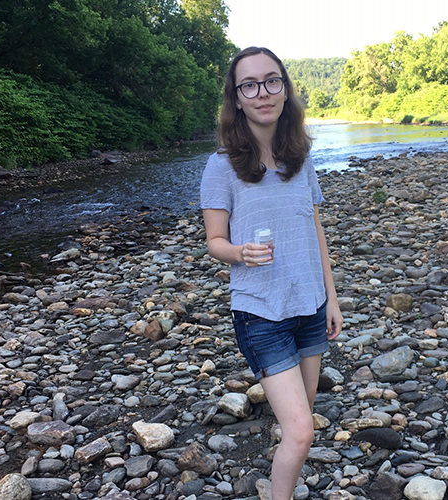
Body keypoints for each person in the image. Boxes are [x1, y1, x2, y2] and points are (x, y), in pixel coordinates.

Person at [200, 46, 343, 500]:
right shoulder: (222, 165)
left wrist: (332, 299)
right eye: (249, 85)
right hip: (261, 312)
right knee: (302, 432)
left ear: (285, 88)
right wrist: (240, 252)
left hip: (310, 305)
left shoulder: (300, 156)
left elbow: (314, 228)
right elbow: (214, 242)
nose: (262, 92)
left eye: (271, 80)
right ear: (237, 99)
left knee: (298, 428)